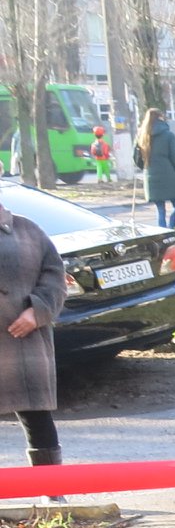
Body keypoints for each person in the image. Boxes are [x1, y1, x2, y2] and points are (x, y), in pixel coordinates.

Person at [1, 197, 66, 498]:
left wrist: (37, 311)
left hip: (22, 342)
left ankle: (52, 490)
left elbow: (55, 277)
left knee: (36, 418)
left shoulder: (28, 230)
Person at [133, 109, 175, 230]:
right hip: (169, 176)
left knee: (160, 209)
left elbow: (136, 158)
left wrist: (146, 169)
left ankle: (162, 231)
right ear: (160, 117)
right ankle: (171, 228)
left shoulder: (141, 136)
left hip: (150, 176)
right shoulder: (168, 135)